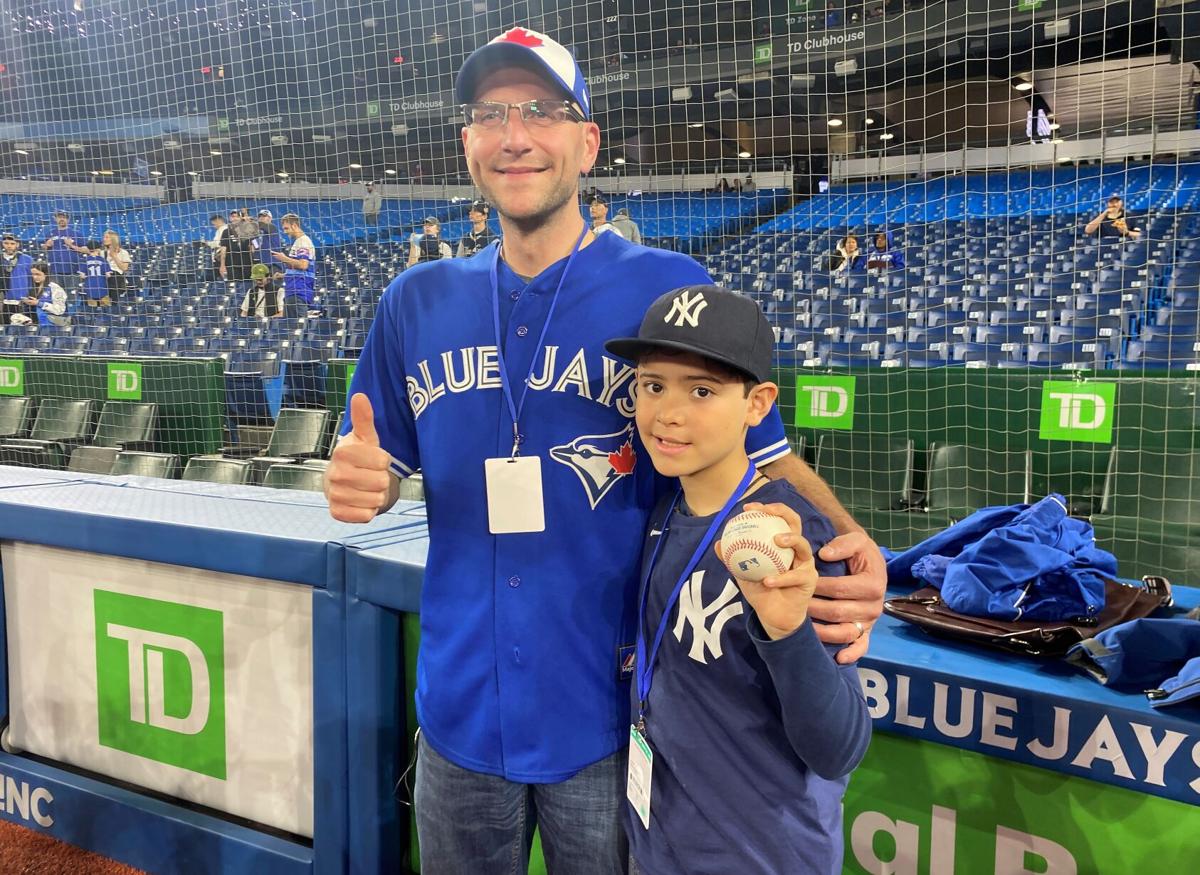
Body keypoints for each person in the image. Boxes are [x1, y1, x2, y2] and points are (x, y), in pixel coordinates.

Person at [323, 26, 883, 875]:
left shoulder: (665, 288)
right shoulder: (415, 300)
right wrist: (356, 481)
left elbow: (762, 456)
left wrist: (855, 539)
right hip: (458, 711)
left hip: (608, 717)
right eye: (491, 113)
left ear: (585, 142)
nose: (515, 134)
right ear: (467, 142)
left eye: (541, 111)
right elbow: (373, 460)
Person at [604, 286, 870, 874]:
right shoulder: (665, 511)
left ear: (758, 404)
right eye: (653, 385)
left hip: (761, 855)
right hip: (660, 845)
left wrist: (788, 631)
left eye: (702, 390)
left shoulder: (792, 539)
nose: (667, 413)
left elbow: (840, 748)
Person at [270, 212, 316, 319]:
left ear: (294, 225)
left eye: (286, 228)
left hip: (299, 291)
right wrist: (283, 275)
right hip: (292, 291)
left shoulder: (303, 242)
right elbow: (298, 268)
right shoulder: (298, 242)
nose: (285, 232)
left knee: (297, 327)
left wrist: (284, 258)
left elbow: (304, 265)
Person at [41, 210, 80, 289]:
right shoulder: (49, 234)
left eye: (64, 217)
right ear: (55, 219)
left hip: (72, 272)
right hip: (54, 271)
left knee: (71, 299)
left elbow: (86, 250)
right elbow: (44, 250)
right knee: (56, 298)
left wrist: (71, 245)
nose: (62, 219)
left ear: (68, 220)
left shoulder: (76, 233)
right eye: (59, 217)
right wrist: (46, 245)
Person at [23, 262, 70, 328]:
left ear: (46, 274)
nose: (34, 277)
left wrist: (39, 303)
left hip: (54, 326)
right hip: (36, 324)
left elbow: (60, 310)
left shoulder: (55, 288)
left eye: (38, 274)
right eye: (33, 274)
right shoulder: (33, 288)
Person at [0, 234, 34, 316]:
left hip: (22, 300)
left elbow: (31, 279)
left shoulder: (27, 259)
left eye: (12, 243)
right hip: (4, 300)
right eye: (6, 243)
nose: (9, 246)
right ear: (2, 244)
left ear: (17, 244)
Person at [102, 230, 132, 303]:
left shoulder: (123, 252)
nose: (104, 239)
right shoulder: (102, 252)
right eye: (104, 237)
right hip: (104, 276)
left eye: (106, 237)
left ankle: (114, 304)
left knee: (113, 277)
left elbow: (124, 268)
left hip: (116, 278)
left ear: (113, 239)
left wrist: (114, 256)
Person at [77, 240, 111, 307]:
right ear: (98, 249)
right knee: (106, 307)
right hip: (102, 286)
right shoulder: (103, 260)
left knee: (92, 309)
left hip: (90, 287)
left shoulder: (84, 260)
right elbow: (108, 275)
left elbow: (82, 276)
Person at [204, 214, 228, 282]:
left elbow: (218, 244)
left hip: (221, 258)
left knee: (222, 279)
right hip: (219, 258)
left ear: (218, 221)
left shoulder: (223, 229)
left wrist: (207, 243)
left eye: (214, 224)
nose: (214, 226)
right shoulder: (220, 230)